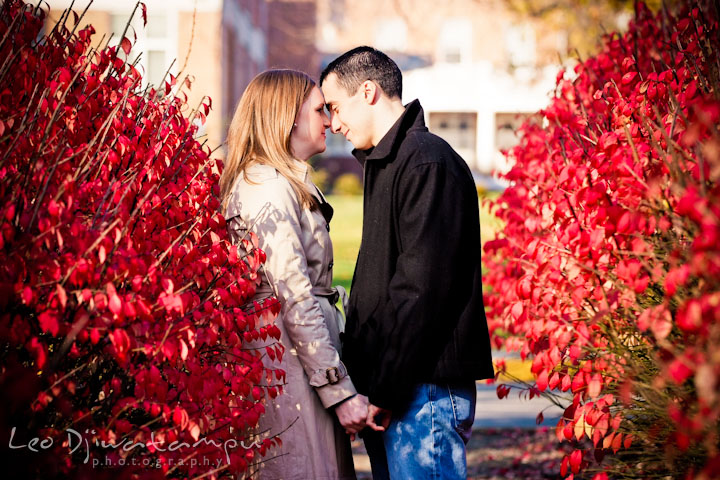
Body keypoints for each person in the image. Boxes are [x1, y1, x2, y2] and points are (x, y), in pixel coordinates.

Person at [320, 47, 495, 479]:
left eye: (336, 107)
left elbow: (421, 290)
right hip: (400, 389)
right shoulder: (390, 163)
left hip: (423, 391)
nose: (334, 122)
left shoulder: (426, 163)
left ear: (368, 91)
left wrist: (386, 387)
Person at [219, 69, 371, 479]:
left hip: (292, 363)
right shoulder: (268, 187)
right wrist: (339, 393)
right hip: (287, 367)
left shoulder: (278, 181)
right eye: (320, 110)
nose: (329, 121)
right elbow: (294, 295)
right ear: (287, 117)